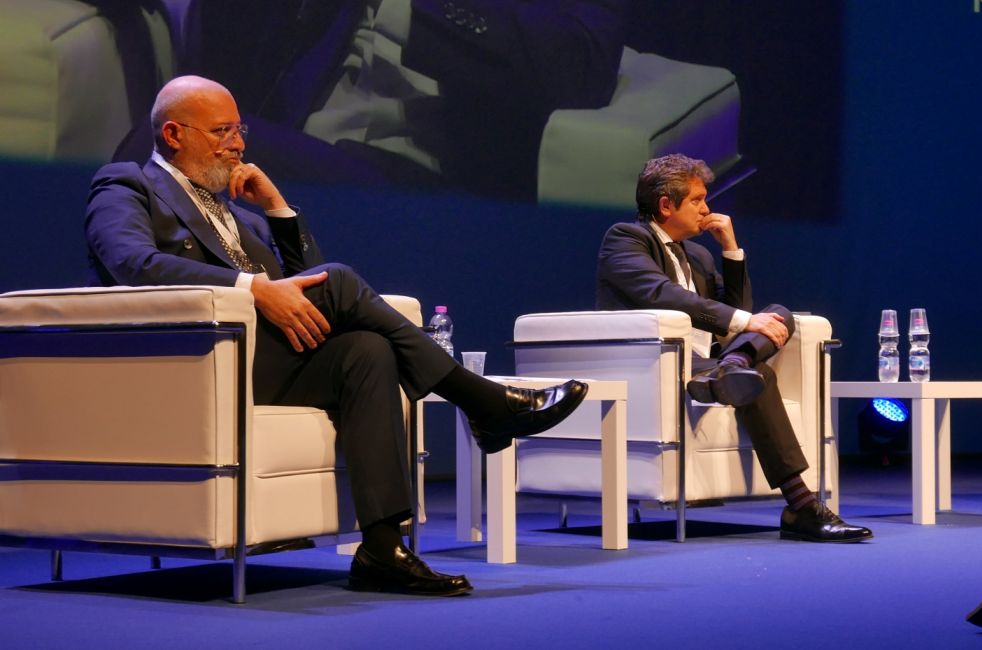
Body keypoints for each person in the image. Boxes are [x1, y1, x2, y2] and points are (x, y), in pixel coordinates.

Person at [84, 75, 589, 596]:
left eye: (240, 130)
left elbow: (312, 288)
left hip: (263, 359)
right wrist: (252, 286)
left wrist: (277, 208)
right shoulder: (127, 185)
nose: (237, 144)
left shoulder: (242, 218)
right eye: (221, 131)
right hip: (198, 361)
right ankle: (481, 401)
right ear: (173, 134)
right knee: (344, 280)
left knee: (366, 350)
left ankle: (382, 549)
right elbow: (132, 264)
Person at [595, 153, 872, 543]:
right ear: (665, 205)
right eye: (697, 200)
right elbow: (661, 294)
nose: (707, 209)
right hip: (653, 368)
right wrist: (744, 324)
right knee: (758, 370)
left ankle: (731, 368)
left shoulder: (699, 254)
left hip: (707, 364)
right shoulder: (626, 239)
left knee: (778, 315)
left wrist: (731, 249)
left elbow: (738, 312)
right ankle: (801, 507)